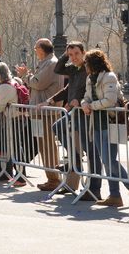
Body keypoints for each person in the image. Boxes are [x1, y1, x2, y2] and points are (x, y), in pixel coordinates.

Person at [80, 49, 129, 208]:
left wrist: (91, 106)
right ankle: (115, 195)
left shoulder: (109, 77)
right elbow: (86, 97)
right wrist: (84, 104)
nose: (85, 65)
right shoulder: (90, 79)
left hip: (111, 123)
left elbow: (110, 100)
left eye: (86, 62)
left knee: (109, 160)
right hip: (97, 123)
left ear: (93, 63)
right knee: (106, 161)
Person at [18, 38, 64, 191]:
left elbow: (38, 83)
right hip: (40, 112)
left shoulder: (51, 63)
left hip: (47, 112)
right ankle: (51, 178)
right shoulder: (46, 63)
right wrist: (30, 77)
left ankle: (54, 179)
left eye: (36, 47)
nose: (34, 50)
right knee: (43, 146)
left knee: (48, 146)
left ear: (42, 49)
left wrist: (26, 76)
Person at [50, 41, 90, 194]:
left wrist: (78, 101)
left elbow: (89, 91)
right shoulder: (73, 69)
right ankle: (71, 181)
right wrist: (65, 55)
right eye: (71, 55)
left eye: (76, 54)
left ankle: (91, 188)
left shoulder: (88, 69)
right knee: (58, 128)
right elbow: (58, 69)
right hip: (73, 113)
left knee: (88, 150)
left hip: (85, 113)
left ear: (83, 53)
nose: (74, 57)